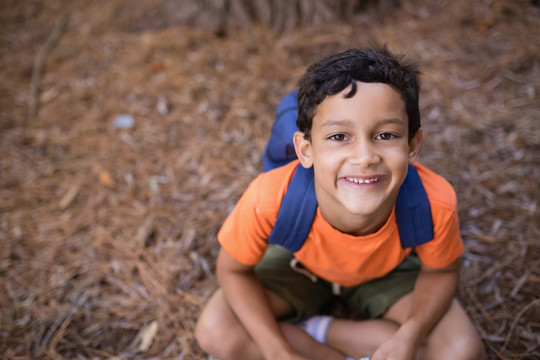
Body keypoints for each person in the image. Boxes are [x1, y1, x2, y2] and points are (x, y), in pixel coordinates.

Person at [195, 46, 486, 360]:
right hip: (299, 267)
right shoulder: (270, 198)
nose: (364, 157)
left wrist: (410, 336)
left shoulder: (433, 202)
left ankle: (316, 331)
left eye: (386, 135)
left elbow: (441, 272)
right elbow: (233, 271)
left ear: (413, 146)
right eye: (338, 137)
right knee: (216, 332)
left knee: (461, 350)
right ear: (306, 150)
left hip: (389, 272)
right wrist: (276, 351)